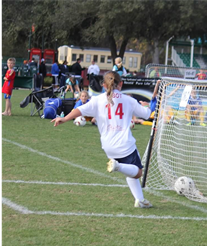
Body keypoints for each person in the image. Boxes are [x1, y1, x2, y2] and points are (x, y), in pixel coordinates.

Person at [51, 71, 154, 208]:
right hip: (125, 144)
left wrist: (64, 118)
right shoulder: (128, 100)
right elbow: (147, 114)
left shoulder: (97, 100)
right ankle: (118, 166)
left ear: (104, 85)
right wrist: (147, 105)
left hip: (108, 146)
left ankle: (140, 200)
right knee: (137, 172)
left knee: (130, 171)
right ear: (121, 84)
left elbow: (80, 110)